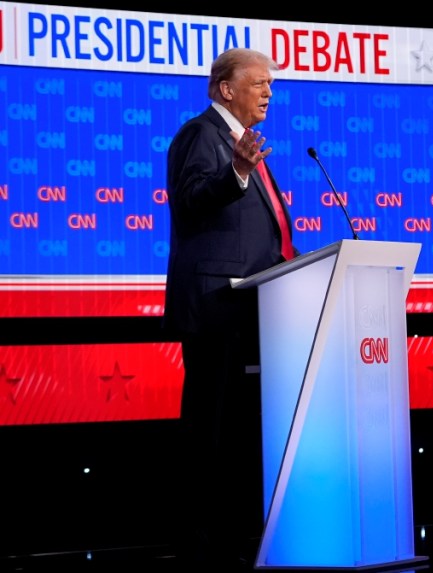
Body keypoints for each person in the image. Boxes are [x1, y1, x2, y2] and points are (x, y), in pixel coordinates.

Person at [163, 47, 296, 569]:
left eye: (271, 84)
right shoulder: (202, 135)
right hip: (218, 306)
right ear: (225, 89)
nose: (268, 91)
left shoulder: (243, 143)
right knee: (210, 429)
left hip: (251, 310)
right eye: (258, 82)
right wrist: (236, 173)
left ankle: (236, 537)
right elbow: (192, 196)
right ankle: (198, 545)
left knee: (240, 432)